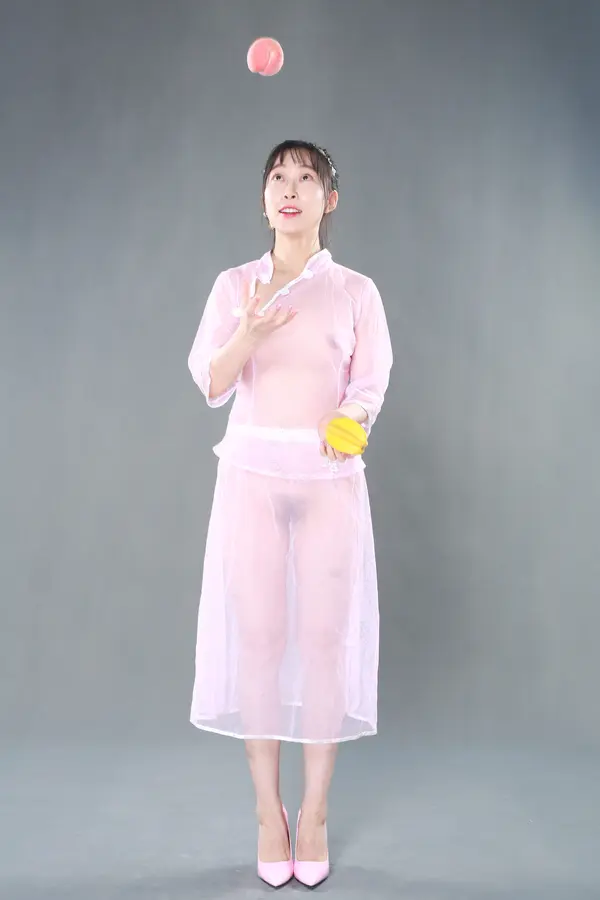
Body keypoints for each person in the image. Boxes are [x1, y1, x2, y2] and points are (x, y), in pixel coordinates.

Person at [187, 139, 393, 887]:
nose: (291, 189)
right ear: (264, 197)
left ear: (328, 200)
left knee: (325, 641)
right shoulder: (235, 286)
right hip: (252, 478)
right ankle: (266, 812)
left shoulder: (356, 292)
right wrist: (249, 329)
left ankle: (314, 814)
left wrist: (352, 419)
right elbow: (211, 382)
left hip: (329, 481)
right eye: (279, 177)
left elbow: (369, 384)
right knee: (260, 641)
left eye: (307, 178)